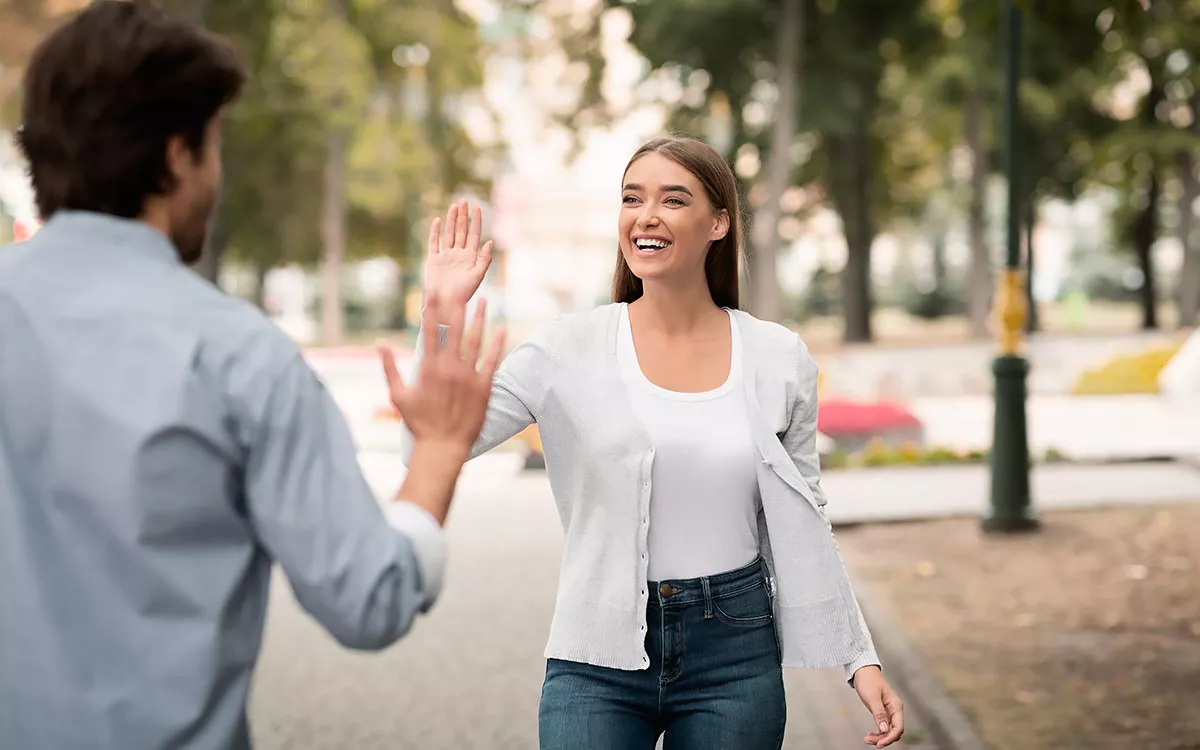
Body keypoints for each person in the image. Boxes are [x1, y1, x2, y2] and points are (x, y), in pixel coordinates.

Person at [0, 3, 504, 748]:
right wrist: (436, 450)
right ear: (177, 156)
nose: (217, 171)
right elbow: (368, 599)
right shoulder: (240, 358)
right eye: (213, 146)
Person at [410, 138, 906, 749]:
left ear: (718, 222)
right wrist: (441, 312)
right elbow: (442, 434)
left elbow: (803, 519)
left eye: (674, 199)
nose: (646, 215)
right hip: (596, 655)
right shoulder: (567, 350)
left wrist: (860, 656)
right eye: (631, 198)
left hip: (735, 652)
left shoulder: (779, 359)